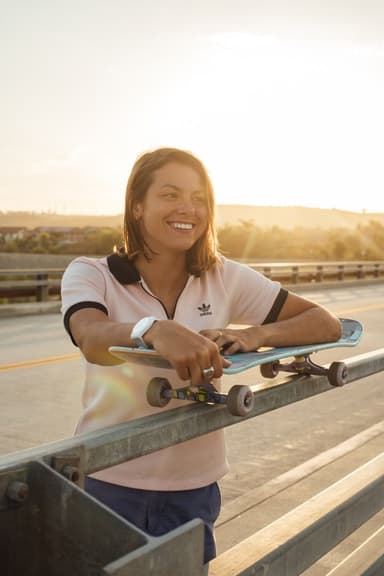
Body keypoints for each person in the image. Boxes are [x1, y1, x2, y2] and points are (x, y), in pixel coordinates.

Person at [60, 147, 342, 566]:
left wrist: (253, 335)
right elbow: (91, 337)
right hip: (107, 478)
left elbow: (326, 323)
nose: (188, 209)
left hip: (191, 488)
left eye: (199, 198)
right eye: (170, 195)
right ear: (137, 206)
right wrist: (153, 330)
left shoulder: (222, 275)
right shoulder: (92, 273)